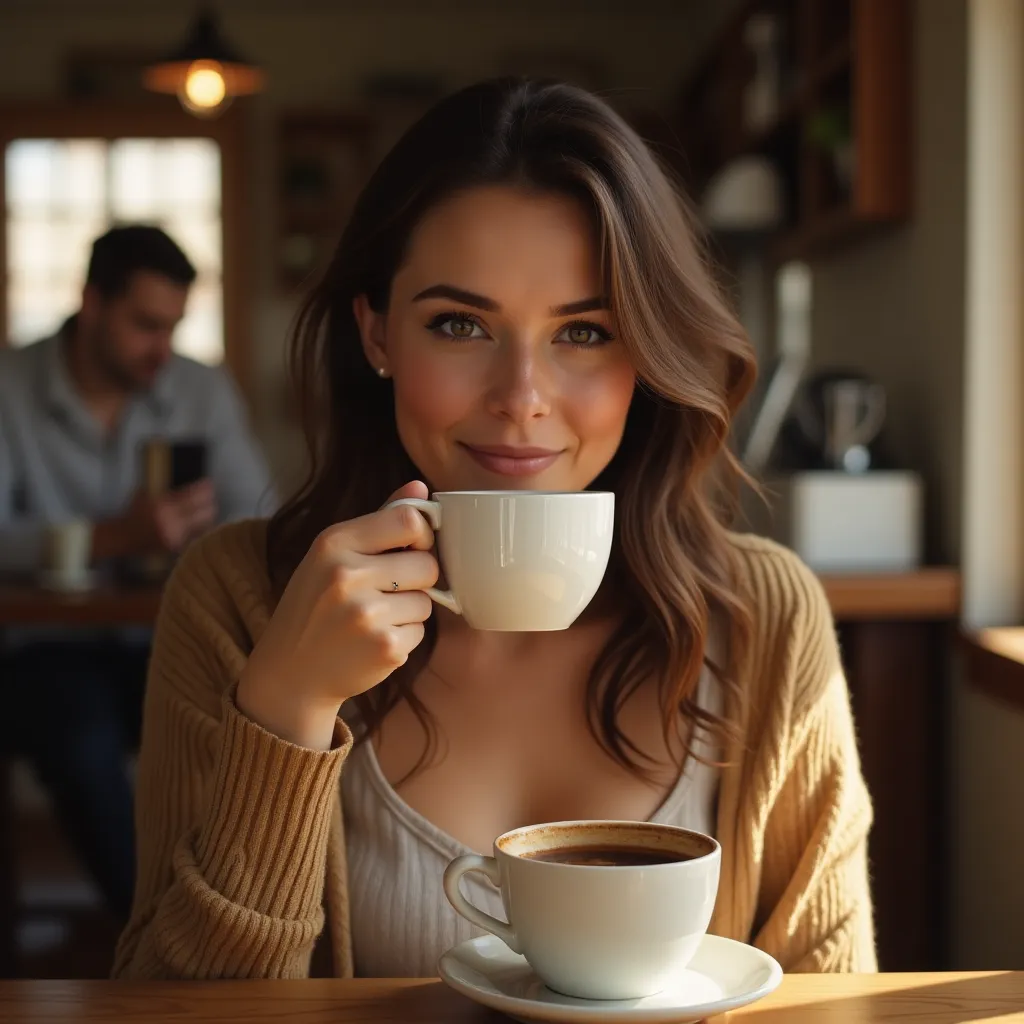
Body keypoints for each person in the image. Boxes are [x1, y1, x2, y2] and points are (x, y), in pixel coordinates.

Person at [113, 79, 875, 979]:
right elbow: (168, 999)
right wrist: (285, 710)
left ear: (650, 354)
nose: (521, 398)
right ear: (377, 334)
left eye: (585, 332)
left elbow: (833, 999)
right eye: (460, 323)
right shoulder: (236, 599)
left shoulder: (765, 620)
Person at [0, 225, 274, 920]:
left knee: (243, 728)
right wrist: (115, 535)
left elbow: (260, 521)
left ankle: (235, 918)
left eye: (174, 326)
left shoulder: (199, 390)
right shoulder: (9, 387)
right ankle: (156, 929)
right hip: (40, 650)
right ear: (92, 303)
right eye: (146, 325)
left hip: (167, 639)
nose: (163, 349)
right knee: (81, 740)